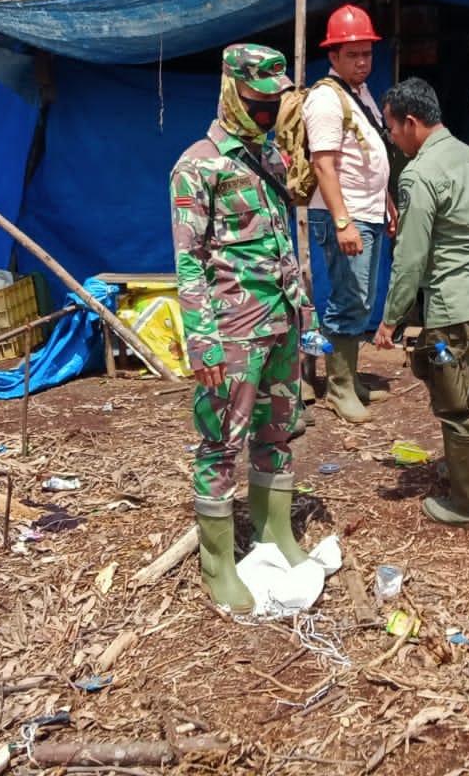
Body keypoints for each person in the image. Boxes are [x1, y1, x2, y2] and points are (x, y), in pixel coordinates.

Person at [170, 44, 314, 612]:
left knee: (279, 431)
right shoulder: (197, 165)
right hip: (232, 330)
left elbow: (287, 230)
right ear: (232, 91)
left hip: (282, 319)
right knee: (219, 443)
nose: (266, 113)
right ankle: (218, 565)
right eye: (258, 103)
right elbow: (187, 259)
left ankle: (275, 532)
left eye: (274, 104)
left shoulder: (271, 158)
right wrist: (201, 338)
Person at [373, 78, 469, 530]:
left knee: (454, 403)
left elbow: (410, 259)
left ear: (411, 123)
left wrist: (390, 319)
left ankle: (468, 504)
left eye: (392, 129)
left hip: (452, 302)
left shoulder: (419, 173)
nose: (392, 138)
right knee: (461, 380)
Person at [303, 5, 396, 423]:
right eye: (353, 54)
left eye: (367, 53)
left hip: (367, 210)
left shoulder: (359, 95)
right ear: (333, 57)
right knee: (348, 298)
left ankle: (350, 378)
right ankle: (339, 390)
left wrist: (387, 201)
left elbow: (369, 154)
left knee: (361, 299)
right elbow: (323, 164)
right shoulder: (325, 99)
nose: (362, 62)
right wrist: (342, 221)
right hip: (345, 214)